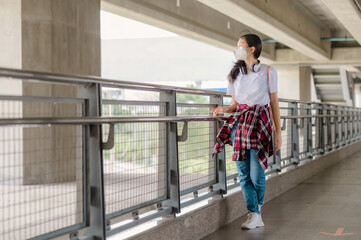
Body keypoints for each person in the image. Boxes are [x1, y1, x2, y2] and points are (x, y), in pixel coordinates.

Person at [210, 33, 282, 230]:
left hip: (260, 123)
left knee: (257, 172)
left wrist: (278, 132)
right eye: (237, 45)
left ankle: (256, 211)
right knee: (243, 174)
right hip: (240, 124)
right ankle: (254, 213)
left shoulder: (268, 71)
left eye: (241, 45)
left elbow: (274, 102)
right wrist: (223, 109)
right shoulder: (234, 73)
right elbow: (235, 104)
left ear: (252, 49)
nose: (237, 48)